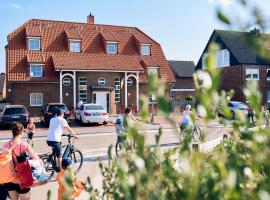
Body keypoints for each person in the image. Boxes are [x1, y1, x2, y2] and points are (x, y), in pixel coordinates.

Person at [3, 122, 38, 200]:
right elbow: (35, 158)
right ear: (21, 132)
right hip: (22, 178)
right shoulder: (24, 144)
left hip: (10, 178)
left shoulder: (5, 145)